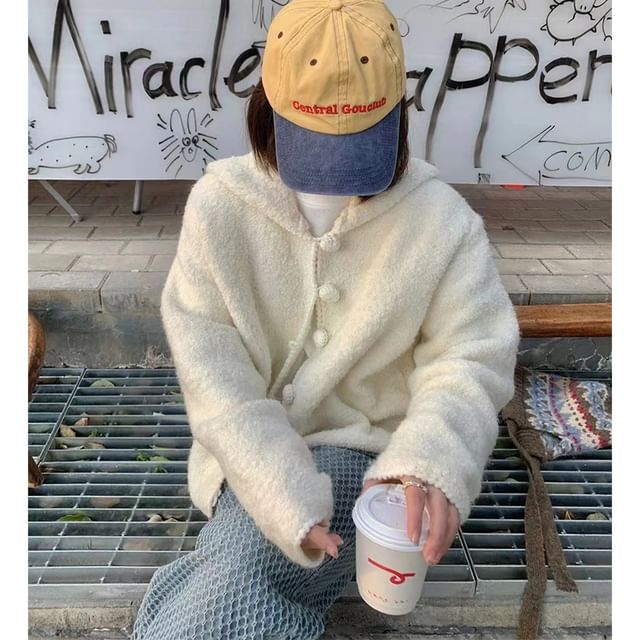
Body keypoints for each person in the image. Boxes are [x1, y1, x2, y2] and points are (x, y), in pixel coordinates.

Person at [132, 1, 521, 638]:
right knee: (238, 570)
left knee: (233, 578)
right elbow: (212, 369)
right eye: (313, 143)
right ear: (266, 105)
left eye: (358, 141)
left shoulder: (442, 221)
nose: (336, 176)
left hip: (374, 460)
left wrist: (430, 460)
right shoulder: (218, 207)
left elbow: (472, 355)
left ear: (398, 112)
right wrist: (277, 487)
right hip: (245, 454)